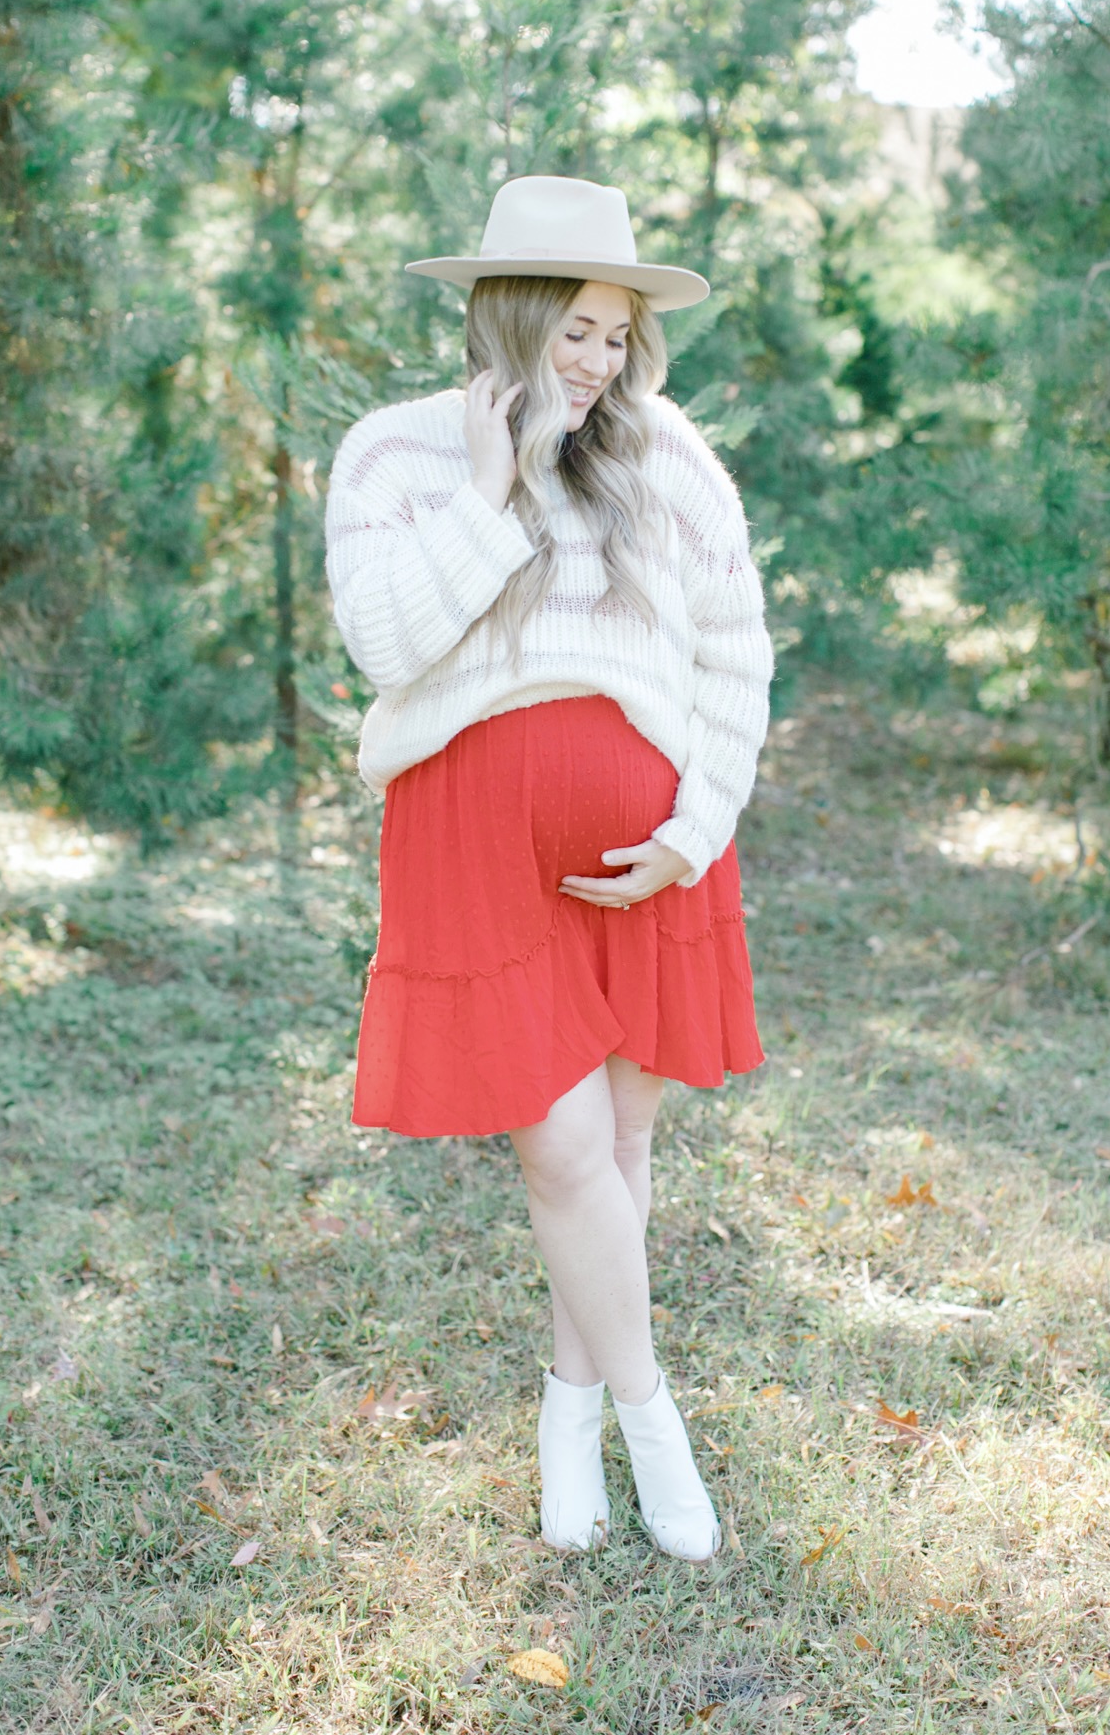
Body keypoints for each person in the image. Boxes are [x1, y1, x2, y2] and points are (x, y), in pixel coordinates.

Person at [324, 175, 773, 1562]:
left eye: (617, 334)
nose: (598, 361)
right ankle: (652, 1419)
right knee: (566, 1152)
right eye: (575, 328)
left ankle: (569, 1412)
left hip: (650, 850)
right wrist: (493, 483)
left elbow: (736, 653)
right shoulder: (393, 457)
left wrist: (694, 830)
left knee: (625, 1145)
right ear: (509, 315)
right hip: (471, 847)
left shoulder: (669, 456)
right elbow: (390, 646)